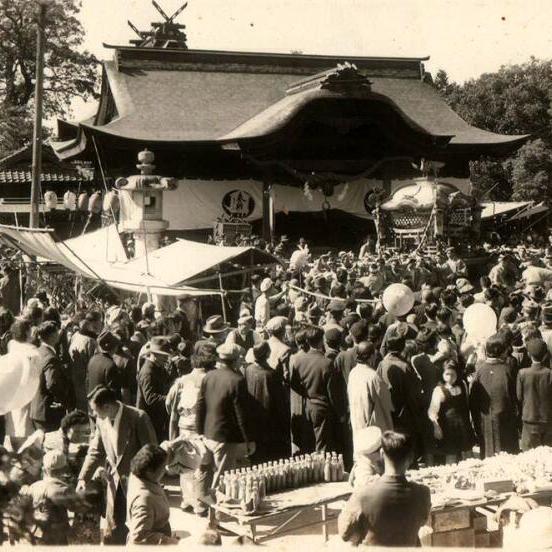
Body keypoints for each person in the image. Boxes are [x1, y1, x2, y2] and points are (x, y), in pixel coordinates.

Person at [77, 385, 157, 544]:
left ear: (107, 406)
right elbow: (95, 451)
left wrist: (148, 483)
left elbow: (152, 453)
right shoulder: (101, 420)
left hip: (137, 483)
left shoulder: (138, 417)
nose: (92, 414)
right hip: (114, 482)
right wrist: (82, 478)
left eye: (94, 410)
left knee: (138, 527)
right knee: (114, 526)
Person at [338, 431, 431, 547]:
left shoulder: (363, 494)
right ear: (411, 458)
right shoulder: (422, 494)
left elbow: (345, 533)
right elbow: (422, 521)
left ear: (382, 454)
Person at [195, 343, 255, 493]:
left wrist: (199, 431)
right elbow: (241, 414)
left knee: (205, 470)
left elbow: (200, 404)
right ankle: (218, 509)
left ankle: (201, 504)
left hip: (208, 433)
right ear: (235, 360)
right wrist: (248, 439)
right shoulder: (237, 380)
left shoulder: (209, 376)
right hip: (225, 437)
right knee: (224, 476)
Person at [166, 343, 216, 515]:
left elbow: (170, 404)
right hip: (202, 427)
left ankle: (186, 499)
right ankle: (199, 501)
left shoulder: (182, 380)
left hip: (183, 425)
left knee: (185, 462)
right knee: (202, 462)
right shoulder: (210, 379)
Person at [469, 334, 519, 458]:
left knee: (489, 458)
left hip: (485, 423)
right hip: (506, 423)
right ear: (502, 352)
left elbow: (473, 401)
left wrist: (477, 423)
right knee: (508, 458)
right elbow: (515, 398)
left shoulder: (479, 371)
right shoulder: (508, 370)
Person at [289, 326, 336, 453]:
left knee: (308, 444)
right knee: (322, 446)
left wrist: (306, 393)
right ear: (321, 341)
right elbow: (332, 392)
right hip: (322, 407)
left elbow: (294, 384)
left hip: (306, 406)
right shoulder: (326, 362)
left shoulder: (298, 360)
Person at [244, 341, 288, 462]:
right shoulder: (270, 374)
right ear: (268, 354)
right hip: (269, 419)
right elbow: (279, 400)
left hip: (253, 417)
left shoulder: (249, 370)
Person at [126, 444, 178, 545]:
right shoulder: (144, 500)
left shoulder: (139, 474)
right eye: (162, 468)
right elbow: (138, 538)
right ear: (149, 471)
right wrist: (167, 541)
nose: (165, 470)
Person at [22, 450, 73, 545]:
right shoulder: (63, 489)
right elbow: (74, 507)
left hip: (37, 532)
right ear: (64, 470)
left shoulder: (34, 486)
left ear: (44, 469)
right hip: (57, 535)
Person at [427, 360, 474, 464]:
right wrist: (436, 427)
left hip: (463, 426)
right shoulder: (439, 390)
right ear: (442, 374)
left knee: (468, 454)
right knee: (451, 456)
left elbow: (466, 404)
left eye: (453, 374)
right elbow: (432, 411)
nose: (450, 377)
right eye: (447, 374)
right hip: (449, 429)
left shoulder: (462, 385)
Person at [348, 341, 393, 441]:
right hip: (372, 424)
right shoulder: (373, 376)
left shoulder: (353, 373)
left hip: (357, 419)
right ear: (371, 356)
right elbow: (386, 401)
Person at [516, 338, 552, 450]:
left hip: (529, 419)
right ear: (545, 354)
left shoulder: (522, 373)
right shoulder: (549, 373)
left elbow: (519, 397)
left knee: (530, 457)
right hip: (548, 420)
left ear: (528, 354)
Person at [136, 336, 172, 442]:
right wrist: (170, 398)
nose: (166, 359)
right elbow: (150, 398)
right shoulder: (148, 372)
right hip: (150, 420)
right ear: (154, 354)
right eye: (164, 356)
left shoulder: (158, 368)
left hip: (158, 418)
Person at [68, 312, 102, 411]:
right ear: (94, 323)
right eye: (100, 321)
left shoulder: (76, 336)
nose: (101, 324)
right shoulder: (91, 342)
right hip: (86, 386)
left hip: (75, 383)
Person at [86, 330, 123, 400]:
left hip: (93, 404)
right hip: (105, 407)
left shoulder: (92, 359)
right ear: (114, 347)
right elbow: (115, 395)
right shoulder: (111, 365)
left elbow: (87, 383)